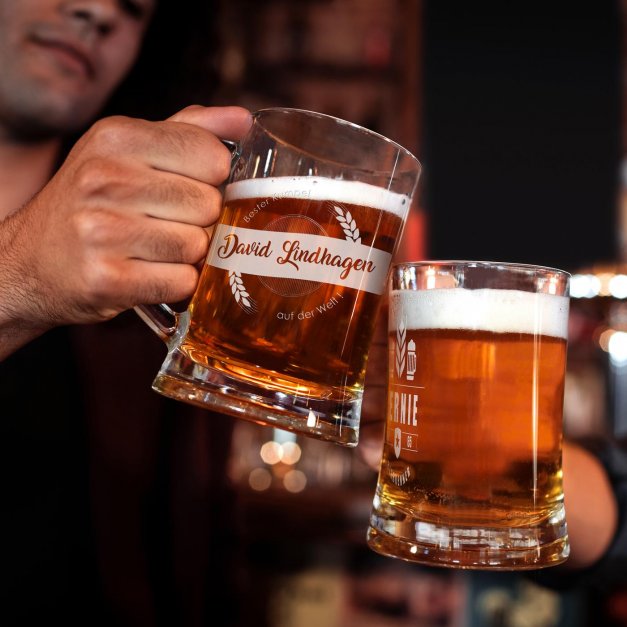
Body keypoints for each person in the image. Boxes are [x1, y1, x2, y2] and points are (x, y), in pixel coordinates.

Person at [0, 1, 251, 624]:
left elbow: (192, 559)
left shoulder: (159, 294)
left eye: (135, 8)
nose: (97, 12)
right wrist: (19, 272)